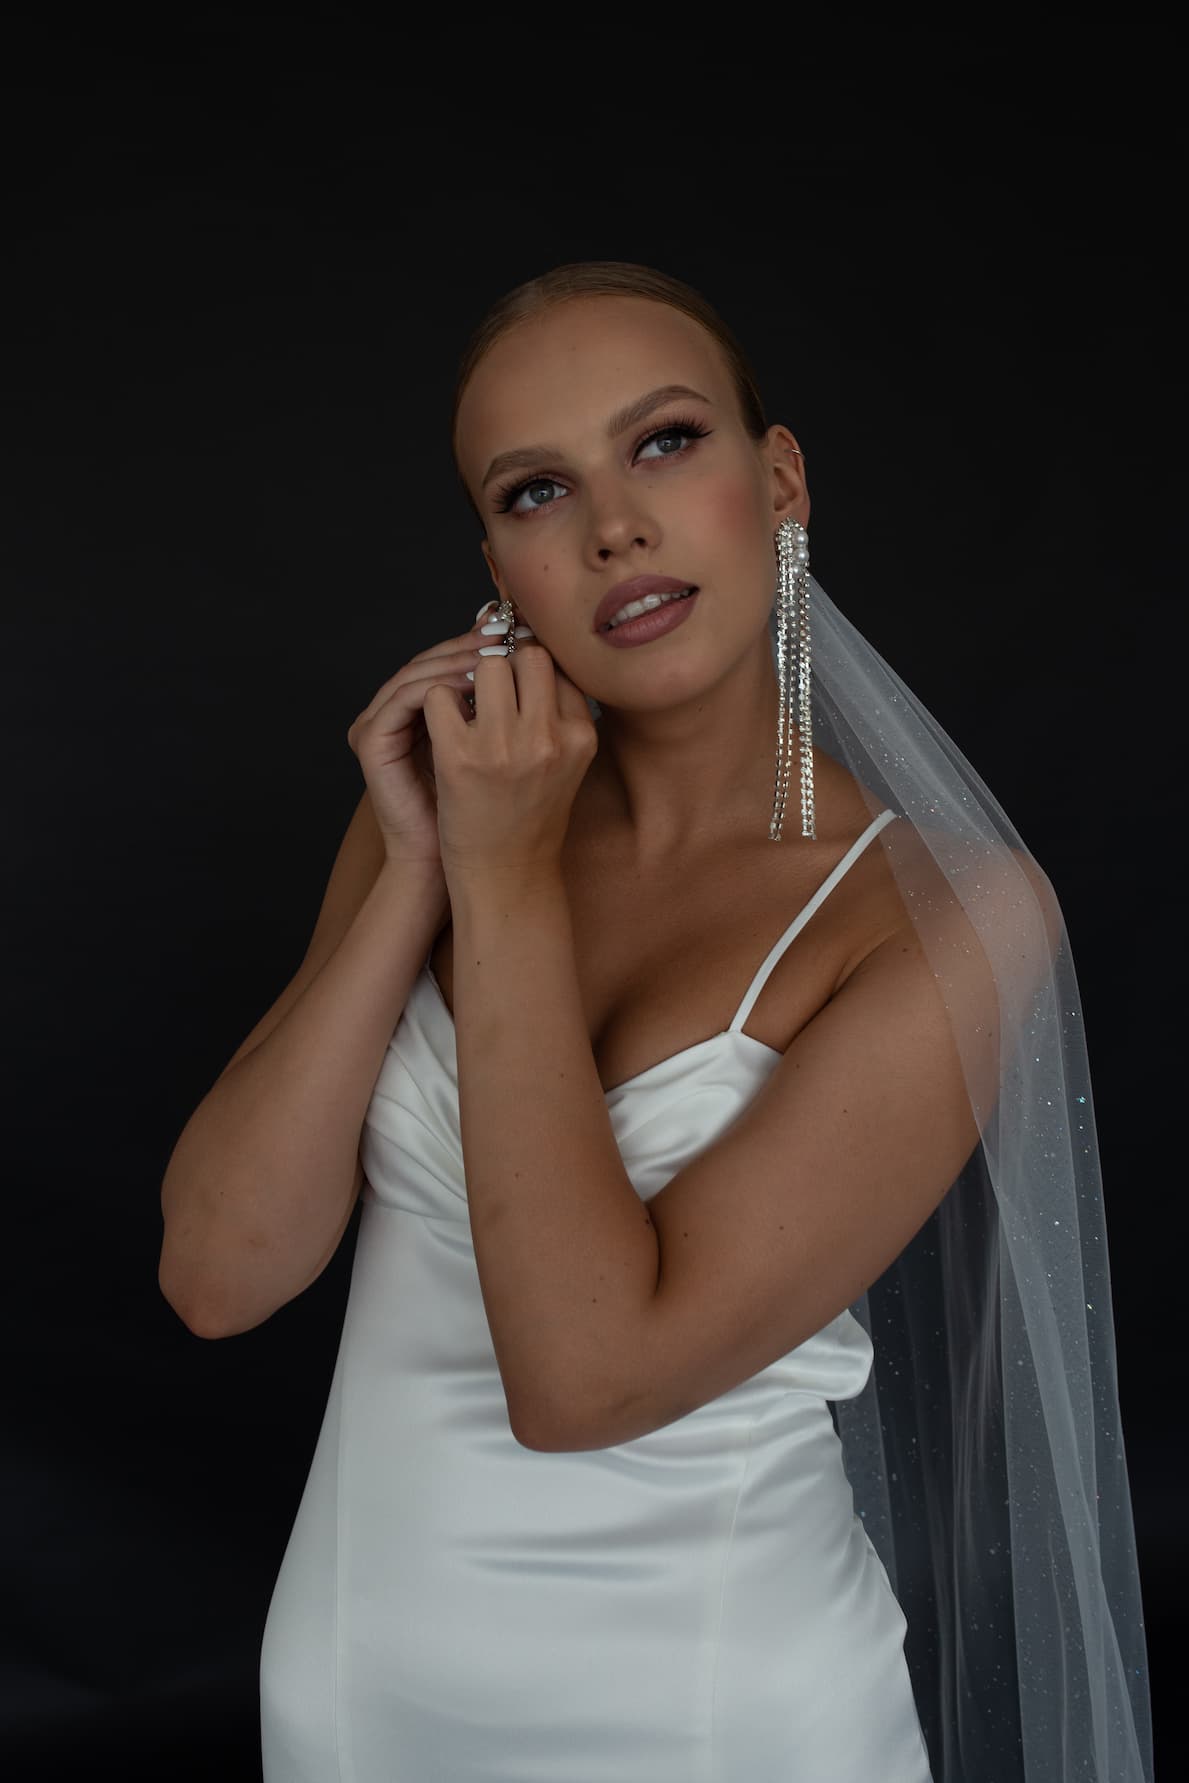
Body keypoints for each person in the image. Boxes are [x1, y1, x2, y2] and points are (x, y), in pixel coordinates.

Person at [158, 261, 1154, 1782]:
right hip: (360, 1692)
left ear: (780, 480)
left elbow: (587, 1381)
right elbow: (219, 1277)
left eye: (666, 442)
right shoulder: (440, 821)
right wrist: (420, 864)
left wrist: (500, 890)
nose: (613, 522)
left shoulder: (950, 915)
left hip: (710, 1714)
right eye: (537, 490)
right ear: (496, 563)